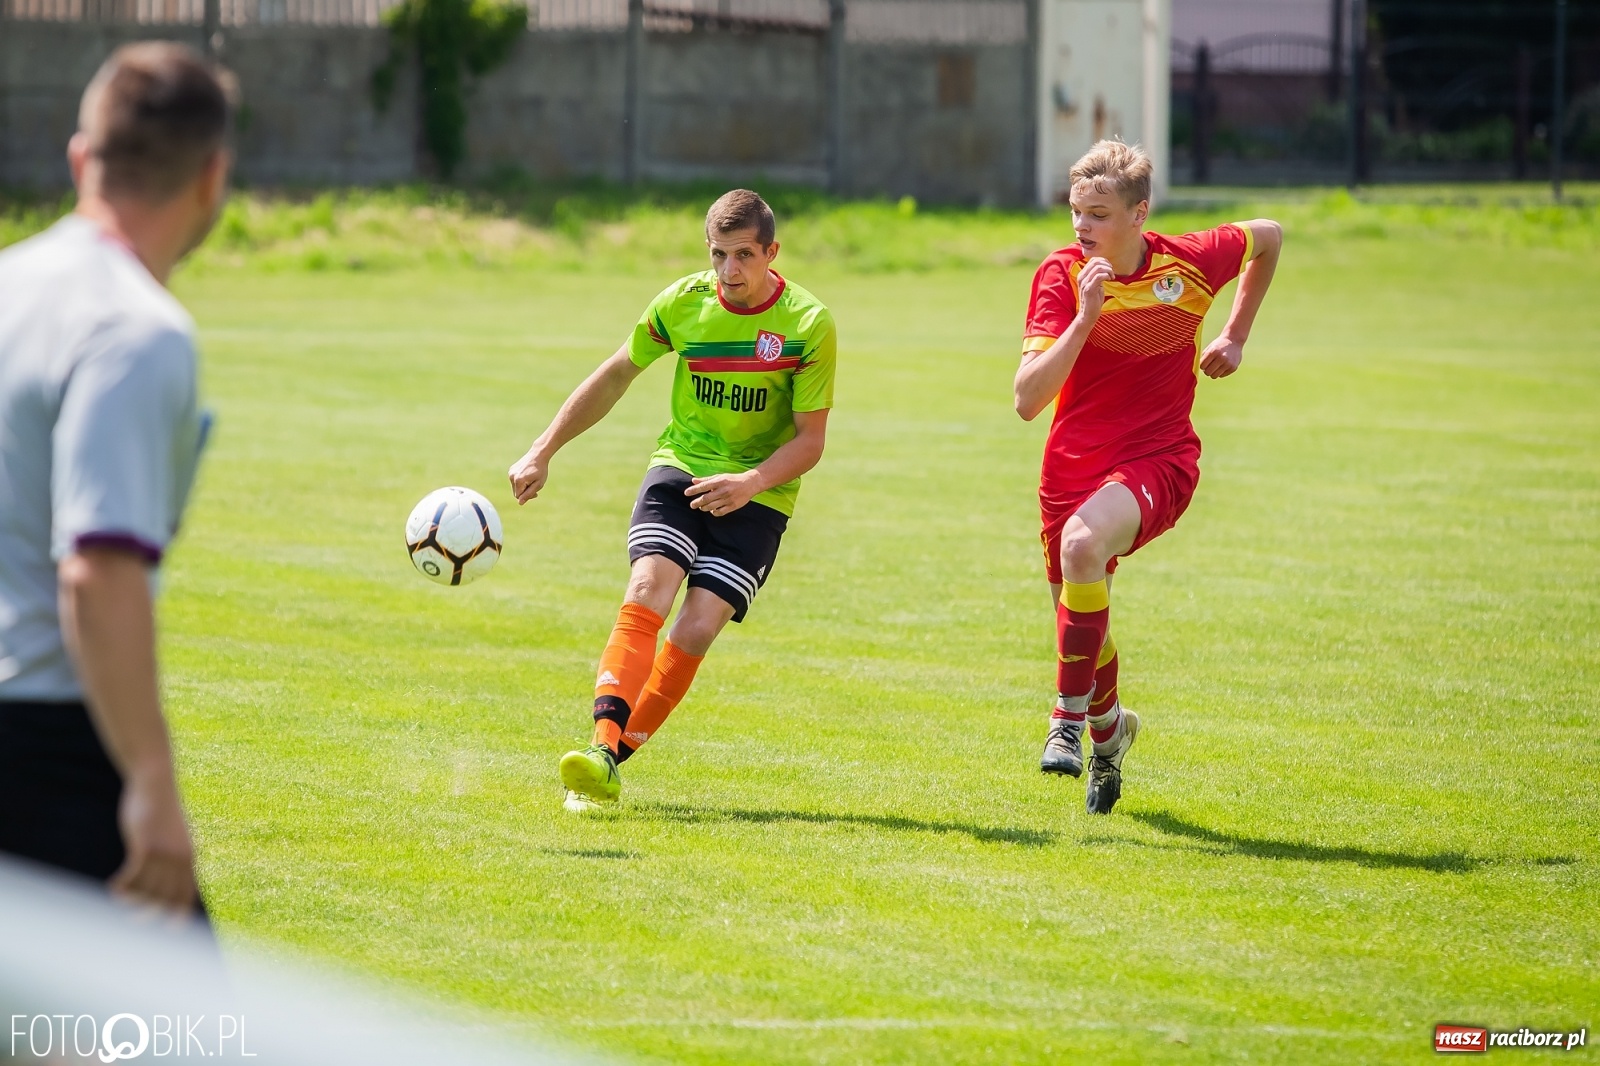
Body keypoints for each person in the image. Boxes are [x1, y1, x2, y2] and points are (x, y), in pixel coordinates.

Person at [0, 43, 236, 910]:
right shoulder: (137, 331)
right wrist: (149, 779)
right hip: (49, 749)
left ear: (79, 156)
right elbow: (96, 568)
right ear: (213, 177)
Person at [508, 189, 836, 809]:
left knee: (696, 628)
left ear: (772, 252)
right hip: (680, 470)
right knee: (647, 590)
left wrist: (751, 483)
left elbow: (811, 440)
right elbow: (615, 374)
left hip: (760, 493)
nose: (730, 271)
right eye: (719, 255)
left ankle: (611, 758)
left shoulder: (808, 323)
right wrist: (542, 449)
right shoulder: (682, 303)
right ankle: (602, 749)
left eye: (744, 255)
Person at [1014, 140, 1282, 814]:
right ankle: (1110, 735)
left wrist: (1236, 333)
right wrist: (1085, 317)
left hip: (1159, 458)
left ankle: (1066, 721)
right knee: (1085, 620)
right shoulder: (1060, 276)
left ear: (1140, 214)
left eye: (1098, 214)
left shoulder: (1188, 264)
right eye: (1077, 212)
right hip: (1070, 467)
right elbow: (1026, 400)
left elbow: (1268, 238)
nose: (1082, 227)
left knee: (1082, 548)